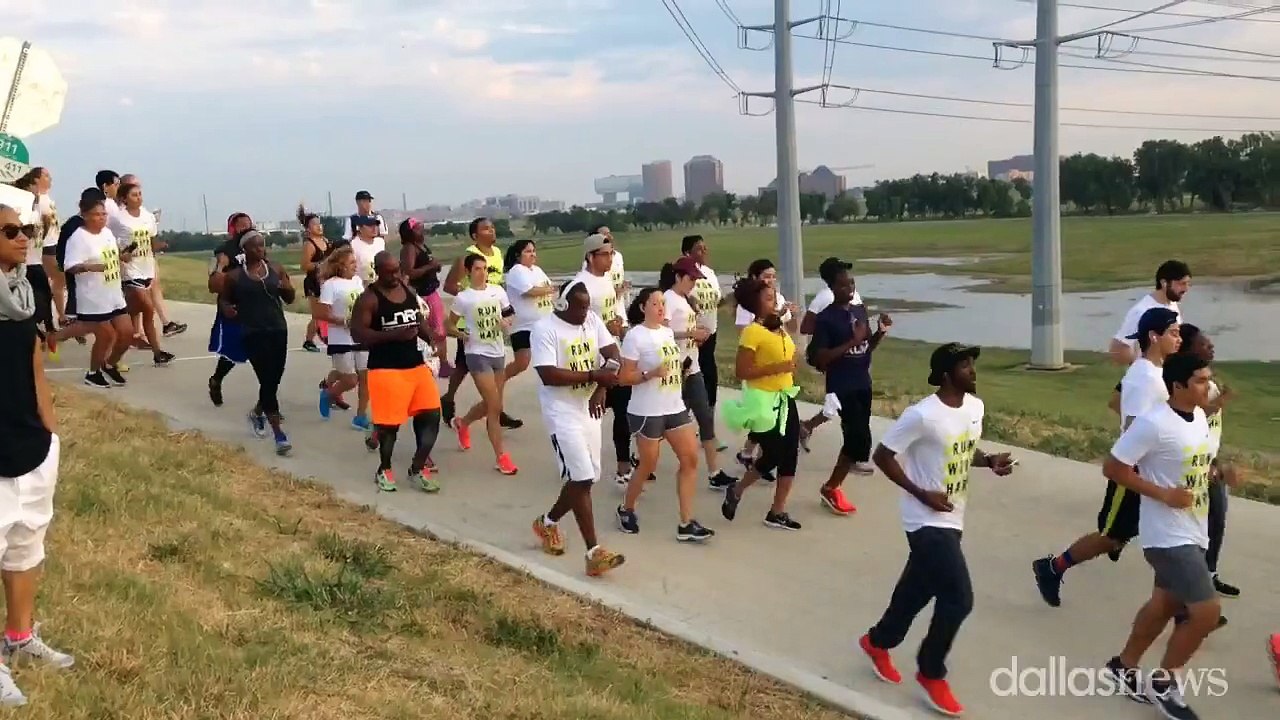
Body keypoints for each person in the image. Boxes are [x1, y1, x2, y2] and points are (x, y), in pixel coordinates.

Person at [858, 343, 1014, 717]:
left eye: (972, 364)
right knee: (959, 599)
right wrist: (920, 493)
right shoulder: (922, 415)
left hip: (954, 516)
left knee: (917, 592)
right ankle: (931, 671)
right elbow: (883, 456)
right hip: (924, 520)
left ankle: (877, 642)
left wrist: (989, 460)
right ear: (946, 374)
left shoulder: (975, 408)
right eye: (965, 365)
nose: (972, 371)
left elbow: (961, 449)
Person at [1100, 352, 1235, 715]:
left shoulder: (1197, 419)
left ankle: (1123, 666)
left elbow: (1195, 466)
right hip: (1166, 536)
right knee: (1206, 612)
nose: (1209, 387)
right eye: (1201, 381)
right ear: (1177, 385)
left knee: (1165, 604)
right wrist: (1164, 494)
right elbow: (1113, 467)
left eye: (1209, 378)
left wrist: (1218, 475)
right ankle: (1165, 683)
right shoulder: (1153, 423)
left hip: (1194, 528)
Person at [1034, 307, 1182, 607]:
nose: (1179, 338)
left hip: (1154, 470)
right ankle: (1052, 568)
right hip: (1134, 473)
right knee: (1109, 537)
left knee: (1171, 536)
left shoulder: (1157, 373)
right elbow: (1134, 428)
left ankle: (1184, 604)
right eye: (1174, 333)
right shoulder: (1144, 378)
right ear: (1155, 336)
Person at [0, 208, 75, 708]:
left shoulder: (22, 291)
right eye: (11, 232)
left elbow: (33, 362)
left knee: (26, 546)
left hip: (32, 444)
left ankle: (19, 637)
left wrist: (51, 432)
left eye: (27, 231)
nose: (24, 239)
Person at [530, 280, 626, 577]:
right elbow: (548, 374)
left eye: (588, 306)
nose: (586, 312)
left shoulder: (592, 320)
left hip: (588, 410)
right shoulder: (544, 329)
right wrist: (592, 374)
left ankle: (546, 524)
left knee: (586, 479)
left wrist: (600, 385)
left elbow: (614, 354)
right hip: (562, 413)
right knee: (581, 476)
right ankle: (594, 552)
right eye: (580, 306)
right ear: (562, 304)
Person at [614, 287, 713, 542]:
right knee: (648, 465)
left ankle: (686, 522)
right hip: (647, 410)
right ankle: (626, 508)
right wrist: (650, 374)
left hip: (674, 405)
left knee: (690, 458)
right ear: (642, 307)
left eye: (662, 304)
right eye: (655, 303)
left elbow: (673, 365)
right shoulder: (635, 337)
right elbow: (625, 378)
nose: (661, 307)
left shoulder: (668, 332)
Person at [351, 251, 443, 493]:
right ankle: (384, 469)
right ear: (377, 270)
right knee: (389, 426)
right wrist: (394, 335)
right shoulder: (369, 299)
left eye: (397, 270)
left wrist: (431, 338)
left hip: (415, 366)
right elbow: (358, 335)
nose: (394, 275)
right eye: (389, 271)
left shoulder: (407, 290)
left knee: (432, 415)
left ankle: (417, 466)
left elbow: (418, 321)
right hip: (385, 369)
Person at [807, 262, 891, 515]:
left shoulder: (860, 311)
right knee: (857, 439)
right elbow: (821, 358)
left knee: (858, 439)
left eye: (852, 283)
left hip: (862, 381)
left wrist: (880, 333)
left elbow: (865, 348)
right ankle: (833, 486)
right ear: (831, 288)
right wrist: (851, 341)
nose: (850, 288)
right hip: (842, 384)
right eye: (843, 285)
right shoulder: (826, 320)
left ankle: (833, 486)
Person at [719, 276, 803, 530]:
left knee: (790, 454)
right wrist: (778, 367)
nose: (773, 300)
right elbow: (742, 371)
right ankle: (737, 489)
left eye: (774, 295)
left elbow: (793, 341)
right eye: (768, 298)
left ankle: (777, 511)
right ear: (755, 304)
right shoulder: (752, 332)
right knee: (775, 453)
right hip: (764, 402)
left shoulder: (778, 325)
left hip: (786, 397)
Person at [218, 230, 295, 455]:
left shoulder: (276, 269)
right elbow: (224, 299)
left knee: (274, 379)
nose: (260, 250)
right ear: (245, 250)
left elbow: (290, 298)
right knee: (266, 380)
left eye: (262, 245)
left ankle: (257, 412)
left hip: (278, 329)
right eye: (255, 247)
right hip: (252, 332)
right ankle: (279, 435)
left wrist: (286, 288)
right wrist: (228, 309)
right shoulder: (234, 277)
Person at [1176, 325, 1239, 600]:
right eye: (1204, 344)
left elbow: (1211, 430)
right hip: (1195, 470)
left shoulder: (1207, 382)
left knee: (1216, 522)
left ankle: (1209, 576)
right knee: (1192, 532)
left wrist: (1218, 460)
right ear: (1189, 349)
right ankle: (1192, 598)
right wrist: (1224, 399)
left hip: (1211, 464)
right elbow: (1195, 413)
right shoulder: (1183, 384)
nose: (1211, 348)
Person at [661, 257, 735, 490]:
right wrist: (688, 334)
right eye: (690, 279)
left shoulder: (686, 299)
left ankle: (715, 471)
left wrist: (696, 334)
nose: (693, 283)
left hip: (692, 368)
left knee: (705, 417)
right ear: (678, 277)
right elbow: (659, 334)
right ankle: (642, 460)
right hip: (674, 371)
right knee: (664, 421)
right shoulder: (667, 300)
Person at [441, 217, 521, 429]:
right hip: (470, 323)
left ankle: (496, 409)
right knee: (462, 367)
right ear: (475, 235)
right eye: (486, 228)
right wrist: (472, 298)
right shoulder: (467, 258)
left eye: (493, 227)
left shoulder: (496, 254)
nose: (492, 230)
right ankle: (449, 398)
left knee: (490, 367)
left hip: (492, 321)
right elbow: (449, 286)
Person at [446, 253, 518, 475]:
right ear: (468, 272)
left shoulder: (498, 291)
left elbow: (510, 313)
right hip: (476, 354)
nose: (483, 273)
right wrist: (461, 334)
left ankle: (463, 422)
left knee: (491, 404)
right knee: (494, 406)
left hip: (497, 352)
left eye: (485, 268)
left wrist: (507, 321)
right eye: (478, 269)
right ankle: (501, 457)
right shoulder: (463, 298)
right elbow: (448, 325)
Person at [573, 233, 635, 487]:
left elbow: (612, 312)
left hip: (612, 355)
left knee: (623, 409)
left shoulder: (608, 280)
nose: (610, 258)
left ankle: (623, 465)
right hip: (590, 362)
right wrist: (603, 329)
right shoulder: (580, 286)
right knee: (588, 416)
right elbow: (571, 324)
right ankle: (578, 460)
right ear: (590, 257)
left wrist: (619, 326)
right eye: (605, 254)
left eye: (611, 253)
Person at [56, 194, 133, 388]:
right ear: (85, 216)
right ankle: (93, 372)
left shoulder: (107, 233)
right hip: (93, 295)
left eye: (103, 214)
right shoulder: (78, 238)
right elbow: (69, 266)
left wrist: (122, 258)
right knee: (105, 335)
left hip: (113, 292)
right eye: (96, 215)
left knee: (127, 333)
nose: (101, 218)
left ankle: (109, 364)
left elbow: (112, 256)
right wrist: (89, 267)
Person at [797, 258, 874, 451]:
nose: (849, 286)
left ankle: (806, 427)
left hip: (858, 360)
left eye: (851, 281)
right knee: (840, 406)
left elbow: (860, 324)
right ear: (832, 283)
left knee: (838, 405)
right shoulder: (825, 298)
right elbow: (806, 327)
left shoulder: (853, 296)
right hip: (837, 359)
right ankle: (851, 454)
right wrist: (834, 331)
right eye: (843, 280)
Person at [733, 258, 799, 477]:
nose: (771, 280)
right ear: (756, 279)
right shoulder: (752, 304)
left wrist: (788, 315)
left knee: (783, 443)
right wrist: (775, 317)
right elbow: (746, 333)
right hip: (760, 384)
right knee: (767, 432)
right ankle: (758, 459)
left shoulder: (777, 299)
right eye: (766, 276)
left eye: (773, 275)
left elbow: (792, 328)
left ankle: (756, 456)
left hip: (782, 385)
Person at [108, 181, 174, 366]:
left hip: (147, 268)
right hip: (130, 271)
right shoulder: (118, 219)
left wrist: (160, 246)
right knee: (148, 308)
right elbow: (108, 242)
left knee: (142, 313)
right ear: (124, 199)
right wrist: (121, 255)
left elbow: (151, 241)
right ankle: (153, 350)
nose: (139, 197)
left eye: (140, 194)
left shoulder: (147, 216)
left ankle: (156, 352)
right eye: (134, 195)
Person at [206, 213, 255, 406]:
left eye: (249, 224)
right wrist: (220, 268)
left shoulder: (256, 246)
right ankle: (216, 379)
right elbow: (213, 284)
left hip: (256, 306)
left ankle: (267, 402)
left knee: (263, 351)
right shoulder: (224, 250)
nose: (246, 227)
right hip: (234, 306)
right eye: (241, 225)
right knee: (233, 351)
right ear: (233, 228)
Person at [315, 247, 366, 421]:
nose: (355, 265)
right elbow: (321, 313)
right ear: (341, 266)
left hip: (360, 336)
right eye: (351, 262)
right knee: (351, 380)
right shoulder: (331, 285)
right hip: (340, 337)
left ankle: (361, 416)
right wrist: (343, 321)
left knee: (365, 377)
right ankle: (329, 394)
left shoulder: (358, 281)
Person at [8, 170, 56, 351]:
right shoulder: (18, 211)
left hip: (36, 260)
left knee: (44, 297)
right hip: (24, 264)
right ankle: (32, 331)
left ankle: (42, 328)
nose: (36, 192)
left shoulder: (37, 210)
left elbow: (43, 234)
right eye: (33, 188)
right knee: (30, 299)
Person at [502, 239, 554, 390]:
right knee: (522, 362)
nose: (532, 254)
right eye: (528, 251)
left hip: (543, 322)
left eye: (533, 251)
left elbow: (547, 286)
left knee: (550, 355)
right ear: (518, 255)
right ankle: (500, 378)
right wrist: (548, 290)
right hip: (524, 325)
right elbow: (529, 291)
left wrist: (547, 290)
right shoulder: (516, 271)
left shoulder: (537, 270)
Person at [398, 218, 448, 376]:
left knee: (439, 330)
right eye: (418, 227)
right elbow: (409, 272)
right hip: (419, 295)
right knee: (423, 331)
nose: (422, 229)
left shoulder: (421, 246)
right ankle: (427, 362)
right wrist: (430, 266)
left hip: (431, 291)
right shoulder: (409, 248)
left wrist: (435, 267)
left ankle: (442, 362)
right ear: (410, 232)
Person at [299, 203, 335, 353]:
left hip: (327, 281)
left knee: (328, 312)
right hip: (313, 282)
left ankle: (327, 337)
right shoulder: (310, 244)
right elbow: (304, 265)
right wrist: (321, 264)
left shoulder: (326, 241)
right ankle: (309, 340)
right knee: (318, 314)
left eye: (320, 223)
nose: (319, 226)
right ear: (308, 228)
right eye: (315, 224)